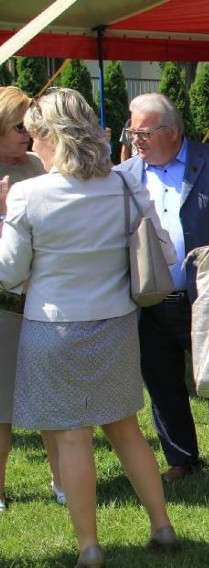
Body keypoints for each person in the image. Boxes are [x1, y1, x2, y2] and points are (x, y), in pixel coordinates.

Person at [0, 87, 176, 567]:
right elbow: (160, 249)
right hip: (116, 324)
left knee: (73, 437)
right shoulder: (123, 184)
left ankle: (90, 549)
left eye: (36, 133)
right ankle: (162, 526)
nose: (32, 142)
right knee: (127, 430)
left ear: (53, 137)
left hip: (52, 329)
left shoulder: (28, 195)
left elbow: (8, 273)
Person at [116, 93, 209, 493]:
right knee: (162, 382)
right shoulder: (124, 175)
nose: (135, 139)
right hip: (152, 299)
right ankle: (180, 458)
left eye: (144, 132)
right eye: (132, 131)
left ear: (173, 132)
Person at [0, 85, 65, 512]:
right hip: (4, 302)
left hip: (43, 298)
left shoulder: (40, 168)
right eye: (19, 125)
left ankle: (64, 480)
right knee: (3, 405)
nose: (28, 133)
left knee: (50, 398)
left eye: (30, 126)